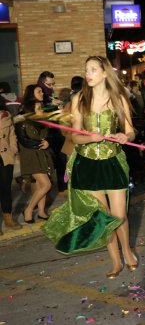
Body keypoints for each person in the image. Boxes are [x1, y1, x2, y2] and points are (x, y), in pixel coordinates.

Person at [43, 55, 137, 279]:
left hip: (112, 162)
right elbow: (75, 137)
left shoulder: (119, 99)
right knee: (103, 218)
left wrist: (125, 136)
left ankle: (128, 252)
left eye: (93, 70)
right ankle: (115, 261)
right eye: (87, 70)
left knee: (120, 216)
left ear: (105, 73)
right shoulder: (79, 100)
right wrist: (90, 139)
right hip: (87, 164)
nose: (88, 74)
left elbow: (131, 130)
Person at [16, 84, 55, 224]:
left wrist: (48, 142)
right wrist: (40, 144)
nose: (42, 93)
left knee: (41, 184)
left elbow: (51, 134)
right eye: (39, 91)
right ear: (31, 95)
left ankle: (42, 211)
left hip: (43, 154)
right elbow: (22, 138)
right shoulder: (22, 115)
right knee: (46, 184)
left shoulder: (43, 114)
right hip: (31, 154)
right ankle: (28, 210)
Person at [0, 101, 22, 233]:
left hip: (5, 156)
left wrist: (13, 150)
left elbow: (12, 135)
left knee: (5, 189)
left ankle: (8, 219)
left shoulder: (6, 115)